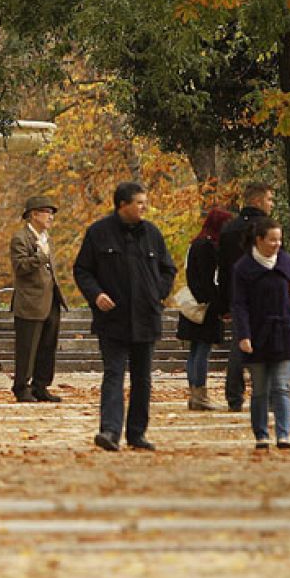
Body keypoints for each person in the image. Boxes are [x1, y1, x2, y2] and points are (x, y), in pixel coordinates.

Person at [74, 182, 176, 452]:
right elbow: (82, 270)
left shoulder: (152, 233)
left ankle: (137, 433)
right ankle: (109, 431)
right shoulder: (98, 233)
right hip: (113, 320)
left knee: (143, 379)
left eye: (145, 202)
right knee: (114, 374)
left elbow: (168, 269)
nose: (145, 207)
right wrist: (96, 295)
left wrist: (158, 293)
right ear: (123, 205)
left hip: (146, 317)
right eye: (140, 202)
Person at [230, 217, 290, 450]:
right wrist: (243, 335)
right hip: (257, 335)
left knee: (281, 385)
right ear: (259, 240)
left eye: (279, 239)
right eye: (272, 240)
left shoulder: (289, 266)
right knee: (260, 389)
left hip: (285, 333)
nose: (277, 244)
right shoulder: (243, 268)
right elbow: (239, 304)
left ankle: (284, 434)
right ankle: (261, 434)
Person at [216, 181, 274, 411]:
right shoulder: (267, 228)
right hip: (264, 293)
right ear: (258, 201)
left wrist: (224, 302)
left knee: (239, 344)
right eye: (269, 199)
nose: (271, 204)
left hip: (237, 294)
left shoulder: (229, 228)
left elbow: (222, 267)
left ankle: (234, 395)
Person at [9, 195, 66, 403]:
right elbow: (20, 267)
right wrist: (40, 256)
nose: (51, 217)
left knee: (48, 346)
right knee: (27, 347)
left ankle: (40, 386)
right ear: (34, 214)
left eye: (52, 213)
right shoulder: (20, 238)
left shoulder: (46, 238)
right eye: (47, 212)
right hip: (30, 302)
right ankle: (21, 388)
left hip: (51, 299)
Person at [177, 206, 232, 411]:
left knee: (195, 350)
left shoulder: (195, 244)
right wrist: (219, 305)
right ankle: (200, 394)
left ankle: (195, 393)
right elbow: (209, 280)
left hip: (194, 303)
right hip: (205, 306)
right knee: (202, 350)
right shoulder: (208, 247)